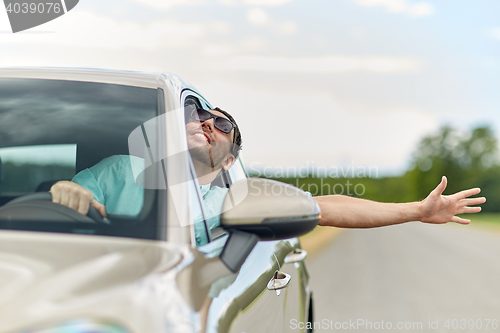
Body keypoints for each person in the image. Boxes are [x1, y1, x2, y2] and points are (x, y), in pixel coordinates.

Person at [50, 107, 485, 232]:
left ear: (230, 160)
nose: (207, 121)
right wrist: (68, 195)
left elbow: (324, 207)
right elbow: (69, 190)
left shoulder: (231, 199)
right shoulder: (121, 168)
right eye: (198, 114)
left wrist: (414, 210)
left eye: (222, 124)